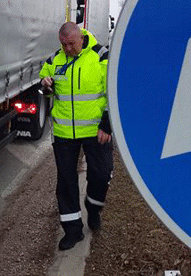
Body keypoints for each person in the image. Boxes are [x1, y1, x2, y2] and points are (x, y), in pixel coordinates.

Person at [40, 22, 113, 251]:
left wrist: (107, 124)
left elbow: (114, 89)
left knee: (101, 175)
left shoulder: (101, 57)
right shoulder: (55, 60)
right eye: (63, 44)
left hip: (96, 130)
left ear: (81, 38)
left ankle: (93, 207)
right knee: (66, 181)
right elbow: (44, 85)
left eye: (71, 44)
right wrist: (46, 85)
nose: (67, 48)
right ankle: (72, 231)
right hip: (64, 133)